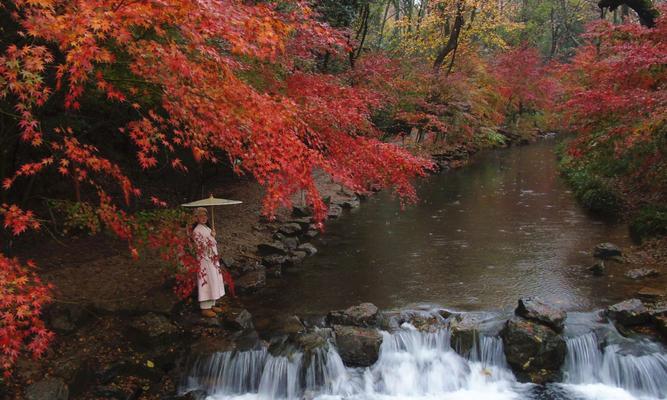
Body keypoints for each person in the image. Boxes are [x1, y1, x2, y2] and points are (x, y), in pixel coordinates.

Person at [191, 207, 226, 318]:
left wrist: (212, 235)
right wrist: (212, 238)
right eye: (201, 216)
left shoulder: (206, 228)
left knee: (213, 279)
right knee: (207, 280)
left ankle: (211, 303)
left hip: (212, 258)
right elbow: (199, 247)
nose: (204, 218)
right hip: (205, 259)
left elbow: (210, 241)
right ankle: (205, 307)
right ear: (196, 218)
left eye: (205, 215)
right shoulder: (197, 230)